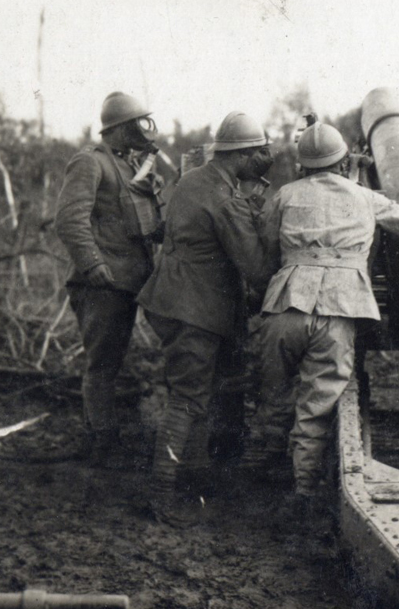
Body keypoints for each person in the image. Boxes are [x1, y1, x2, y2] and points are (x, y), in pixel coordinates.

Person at [252, 121, 399, 503]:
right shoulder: (365, 197)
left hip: (285, 304)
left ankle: (264, 468)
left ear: (303, 164)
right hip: (338, 309)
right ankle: (303, 489)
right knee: (316, 404)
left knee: (273, 392)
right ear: (344, 160)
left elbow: (265, 248)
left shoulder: (284, 195)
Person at [136, 111, 274, 521]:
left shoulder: (195, 178)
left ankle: (193, 475)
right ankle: (162, 493)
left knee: (196, 393)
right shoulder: (225, 199)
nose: (264, 160)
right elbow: (255, 267)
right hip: (194, 307)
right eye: (258, 154)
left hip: (173, 298)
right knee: (187, 398)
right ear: (242, 155)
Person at [55, 92, 162, 468]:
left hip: (131, 281)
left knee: (112, 363)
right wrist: (93, 266)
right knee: (102, 365)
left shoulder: (129, 165)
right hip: (103, 285)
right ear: (119, 127)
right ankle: (102, 445)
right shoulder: (90, 162)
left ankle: (108, 437)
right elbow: (69, 220)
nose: (145, 129)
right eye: (138, 123)